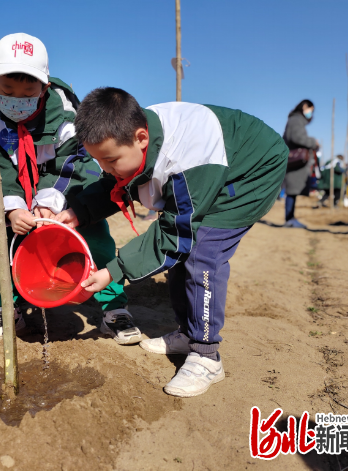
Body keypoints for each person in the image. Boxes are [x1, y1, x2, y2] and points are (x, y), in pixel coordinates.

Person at [54, 87, 288, 397]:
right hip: (217, 164)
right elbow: (114, 183)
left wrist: (114, 270)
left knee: (202, 253)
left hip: (251, 171)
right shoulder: (131, 138)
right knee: (184, 253)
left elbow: (174, 233)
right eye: (101, 162)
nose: (107, 170)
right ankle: (188, 333)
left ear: (140, 138)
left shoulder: (187, 158)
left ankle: (206, 355)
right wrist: (77, 212)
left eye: (110, 161)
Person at [0, 33, 138, 345]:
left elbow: (73, 159)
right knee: (12, 246)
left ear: (44, 86)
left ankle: (113, 309)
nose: (17, 98)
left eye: (28, 90)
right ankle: (12, 306)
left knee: (95, 241)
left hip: (70, 189)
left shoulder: (66, 115)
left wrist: (51, 198)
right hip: (21, 195)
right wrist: (13, 209)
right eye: (8, 89)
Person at [282, 99, 319, 228]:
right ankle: (289, 219)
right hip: (295, 162)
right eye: (311, 110)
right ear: (304, 106)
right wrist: (314, 142)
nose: (311, 113)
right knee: (292, 190)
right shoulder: (296, 119)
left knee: (292, 191)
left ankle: (290, 218)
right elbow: (296, 137)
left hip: (294, 161)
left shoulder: (295, 119)